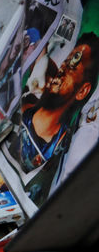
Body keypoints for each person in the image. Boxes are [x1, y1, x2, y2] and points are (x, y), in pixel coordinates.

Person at [17, 34, 99, 172]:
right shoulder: (28, 102)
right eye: (66, 62)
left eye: (72, 67)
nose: (62, 69)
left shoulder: (59, 147)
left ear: (82, 91)